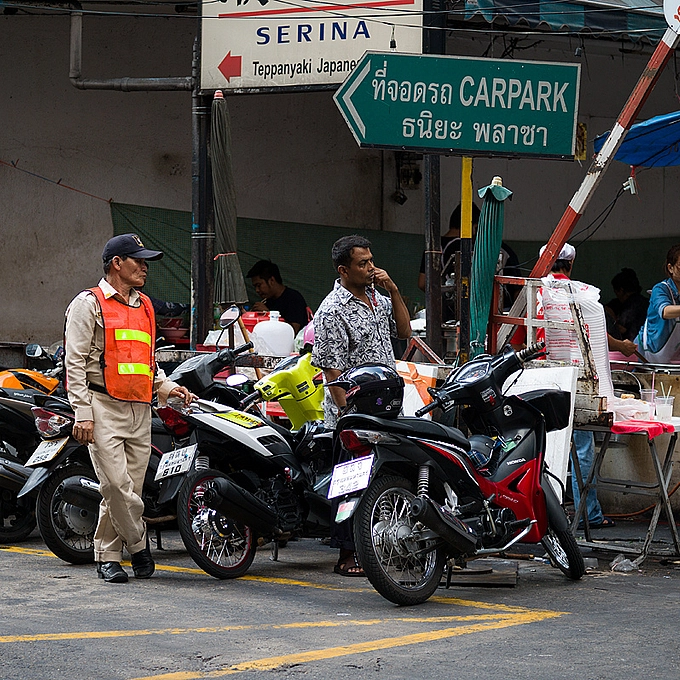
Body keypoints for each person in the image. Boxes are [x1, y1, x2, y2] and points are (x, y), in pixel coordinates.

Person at [65, 233, 194, 583]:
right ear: (117, 264)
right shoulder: (88, 304)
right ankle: (138, 545)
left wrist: (167, 387)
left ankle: (108, 556)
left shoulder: (146, 306)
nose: (145, 267)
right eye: (138, 260)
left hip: (140, 408)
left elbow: (147, 362)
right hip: (102, 407)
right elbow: (74, 364)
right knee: (116, 487)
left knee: (127, 491)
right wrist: (82, 413)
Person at [511, 243, 633, 528]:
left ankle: (536, 513)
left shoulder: (532, 295)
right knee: (582, 449)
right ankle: (588, 514)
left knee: (538, 447)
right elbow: (596, 336)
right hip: (577, 383)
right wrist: (622, 347)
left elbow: (516, 342)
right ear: (571, 264)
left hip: (537, 381)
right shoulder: (583, 295)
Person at [312, 234, 411, 576]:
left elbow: (404, 332)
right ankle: (347, 554)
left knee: (387, 477)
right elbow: (332, 373)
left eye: (371, 261)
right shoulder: (332, 311)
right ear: (344, 270)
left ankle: (384, 545)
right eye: (362, 263)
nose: (370, 268)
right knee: (350, 484)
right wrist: (347, 417)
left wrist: (393, 290)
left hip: (386, 408)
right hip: (354, 415)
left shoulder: (377, 298)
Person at [636, 245, 680, 363]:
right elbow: (665, 311)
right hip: (649, 352)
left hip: (673, 358)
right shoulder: (661, 289)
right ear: (670, 268)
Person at [246, 260, 309, 334]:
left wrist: (268, 314)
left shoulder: (294, 299)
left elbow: (292, 331)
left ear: (271, 280)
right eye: (255, 287)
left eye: (259, 285)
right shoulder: (268, 301)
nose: (257, 290)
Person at [604, 268, 648, 342]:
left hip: (632, 343)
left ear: (621, 290)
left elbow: (622, 329)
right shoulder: (646, 302)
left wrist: (612, 320)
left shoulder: (630, 306)